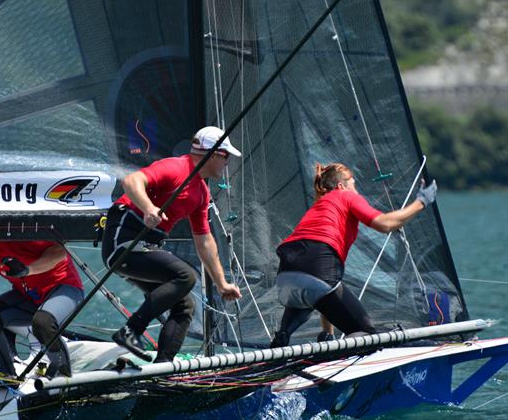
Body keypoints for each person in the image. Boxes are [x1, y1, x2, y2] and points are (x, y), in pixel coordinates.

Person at [102, 126, 243, 363]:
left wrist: (221, 284)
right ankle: (130, 331)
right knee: (185, 276)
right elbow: (131, 180)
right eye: (226, 155)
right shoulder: (177, 167)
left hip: (145, 247)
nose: (228, 162)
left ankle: (162, 368)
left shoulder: (201, 193)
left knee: (184, 306)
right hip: (124, 241)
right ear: (212, 153)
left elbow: (205, 241)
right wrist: (148, 208)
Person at [270, 162, 437, 347]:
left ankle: (281, 339)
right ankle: (331, 358)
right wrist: (421, 202)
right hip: (317, 265)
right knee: (367, 334)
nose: (356, 189)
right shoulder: (346, 196)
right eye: (353, 183)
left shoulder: (319, 206)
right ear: (342, 186)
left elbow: (326, 292)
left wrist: (327, 334)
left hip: (286, 272)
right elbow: (384, 223)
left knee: (313, 294)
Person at [0, 239, 84, 378]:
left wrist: (28, 270)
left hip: (65, 289)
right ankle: (6, 374)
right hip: (29, 296)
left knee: (43, 322)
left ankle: (63, 375)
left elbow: (60, 252)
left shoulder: (17, 236)